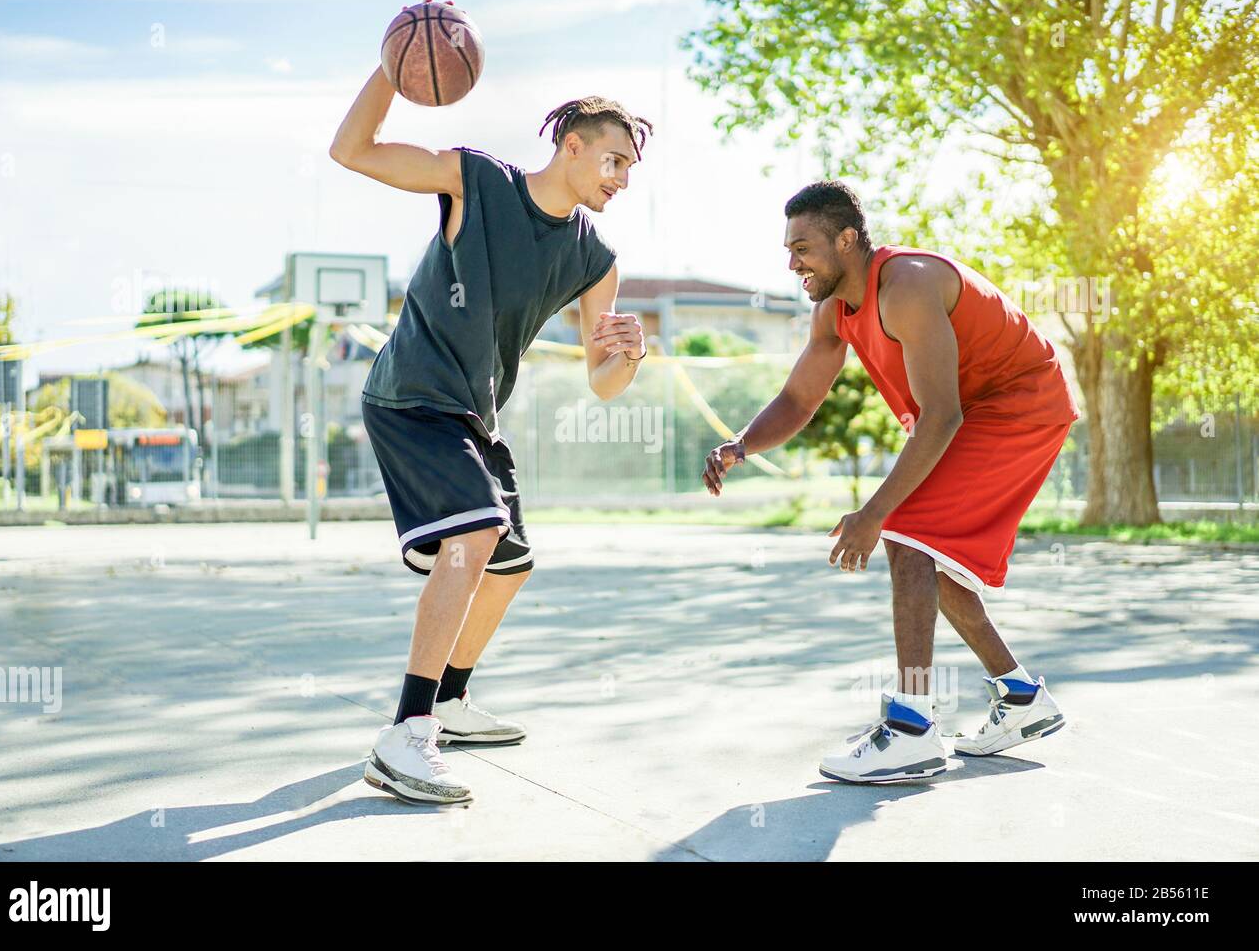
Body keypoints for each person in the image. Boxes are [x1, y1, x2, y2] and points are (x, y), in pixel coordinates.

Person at [330, 66, 652, 803]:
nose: (622, 180)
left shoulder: (594, 258)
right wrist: (392, 68)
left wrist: (629, 355)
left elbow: (602, 381)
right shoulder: (475, 181)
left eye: (631, 169)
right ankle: (406, 733)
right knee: (473, 537)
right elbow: (353, 150)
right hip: (411, 396)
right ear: (571, 147)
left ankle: (449, 699)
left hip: (475, 415)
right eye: (614, 161)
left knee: (510, 564)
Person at [704, 181, 1079, 783]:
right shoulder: (833, 309)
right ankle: (1021, 699)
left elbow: (943, 416)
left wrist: (874, 514)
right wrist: (742, 444)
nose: (791, 263)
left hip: (1018, 404)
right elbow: (800, 397)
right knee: (925, 552)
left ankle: (911, 730)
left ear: (847, 240)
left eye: (803, 249)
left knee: (906, 532)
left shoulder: (906, 286)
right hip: (970, 410)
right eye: (788, 250)